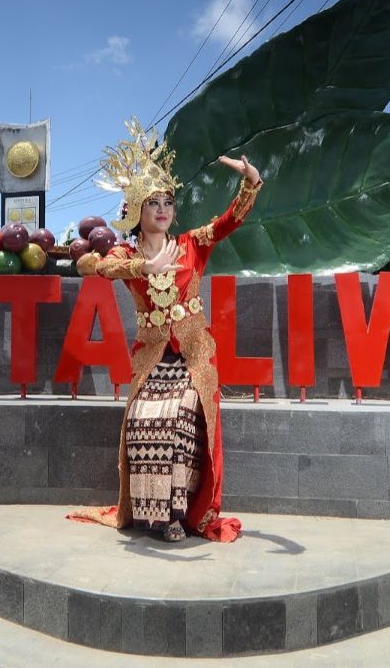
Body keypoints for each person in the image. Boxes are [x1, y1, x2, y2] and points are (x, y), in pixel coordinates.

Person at [70, 119, 261, 543]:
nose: (162, 209)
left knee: (180, 417)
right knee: (142, 421)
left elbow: (230, 220)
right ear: (137, 209)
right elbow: (89, 265)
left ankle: (179, 514)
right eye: (153, 202)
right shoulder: (126, 252)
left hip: (194, 356)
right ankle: (152, 515)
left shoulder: (193, 243)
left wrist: (251, 183)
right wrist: (143, 267)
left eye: (168, 202)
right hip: (153, 357)